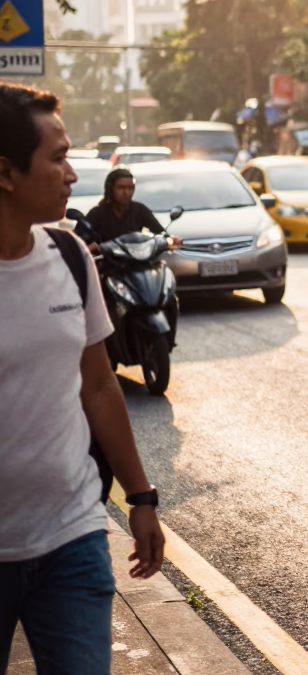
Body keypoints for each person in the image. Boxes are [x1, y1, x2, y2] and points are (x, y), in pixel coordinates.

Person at [0, 84, 165, 674]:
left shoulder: (70, 257)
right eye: (57, 158)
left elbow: (99, 386)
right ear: (7, 173)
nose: (73, 173)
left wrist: (141, 498)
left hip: (73, 536)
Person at [84, 167, 181, 252]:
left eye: (130, 188)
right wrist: (92, 247)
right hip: (106, 265)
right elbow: (79, 238)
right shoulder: (97, 213)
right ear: (110, 189)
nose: (126, 192)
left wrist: (171, 239)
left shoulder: (140, 210)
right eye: (121, 188)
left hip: (136, 263)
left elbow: (159, 233)